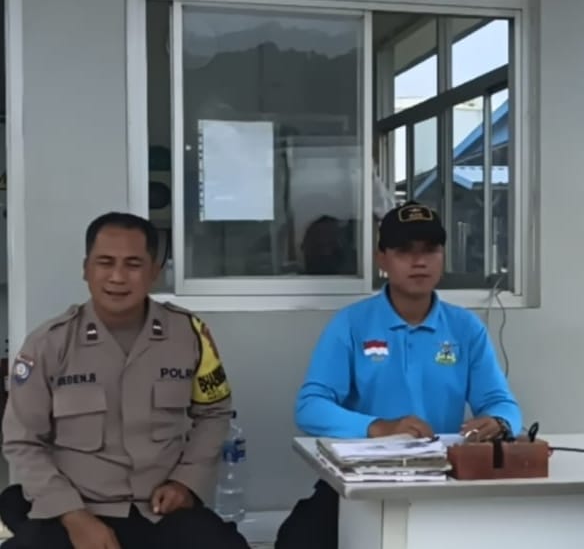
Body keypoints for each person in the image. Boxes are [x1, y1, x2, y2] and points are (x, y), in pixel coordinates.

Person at [275, 201, 523, 549]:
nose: (419, 261)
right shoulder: (351, 324)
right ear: (382, 258)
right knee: (298, 540)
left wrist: (500, 422)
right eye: (404, 250)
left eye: (430, 250)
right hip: (361, 479)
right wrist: (379, 427)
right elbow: (310, 408)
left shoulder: (465, 328)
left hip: (443, 479)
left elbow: (501, 403)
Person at [0, 212, 249, 549]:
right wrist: (73, 516)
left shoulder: (188, 335)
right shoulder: (49, 344)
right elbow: (23, 441)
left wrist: (186, 482)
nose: (117, 277)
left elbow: (214, 413)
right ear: (86, 269)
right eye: (105, 263)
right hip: (76, 509)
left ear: (154, 273)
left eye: (133, 264)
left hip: (161, 510)